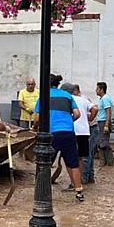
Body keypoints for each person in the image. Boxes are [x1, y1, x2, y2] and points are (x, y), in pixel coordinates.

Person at [34, 74, 85, 202]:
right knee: (73, 163)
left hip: (52, 134)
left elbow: (38, 118)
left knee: (45, 163)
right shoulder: (67, 96)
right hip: (68, 132)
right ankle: (79, 191)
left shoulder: (44, 96)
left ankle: (41, 192)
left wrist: (35, 127)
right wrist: (68, 121)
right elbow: (77, 114)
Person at [68, 84, 98, 185]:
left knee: (70, 156)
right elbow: (95, 108)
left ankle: (74, 182)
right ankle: (80, 180)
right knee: (82, 156)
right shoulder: (84, 99)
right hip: (84, 131)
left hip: (72, 130)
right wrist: (90, 118)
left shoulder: (68, 99)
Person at [95, 82, 114, 166]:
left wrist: (107, 124)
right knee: (103, 141)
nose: (96, 90)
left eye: (97, 89)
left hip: (103, 122)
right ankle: (106, 161)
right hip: (101, 121)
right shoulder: (102, 99)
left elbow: (108, 111)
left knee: (103, 142)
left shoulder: (105, 99)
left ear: (101, 90)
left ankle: (106, 162)